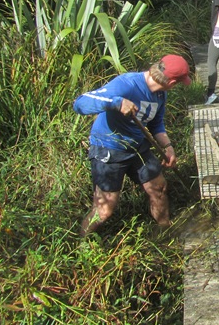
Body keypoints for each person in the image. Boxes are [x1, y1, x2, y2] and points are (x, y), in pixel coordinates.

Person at [73, 55, 191, 236]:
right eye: (179, 83)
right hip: (109, 148)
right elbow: (80, 103)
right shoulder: (126, 84)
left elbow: (156, 124)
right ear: (173, 82)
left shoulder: (160, 94)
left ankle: (165, 232)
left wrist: (168, 147)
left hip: (137, 147)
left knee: (158, 188)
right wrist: (117, 102)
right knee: (104, 209)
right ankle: (82, 243)